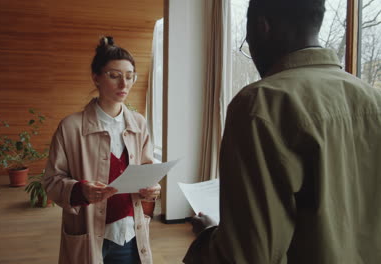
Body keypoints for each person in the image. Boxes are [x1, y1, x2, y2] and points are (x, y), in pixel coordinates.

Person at [184, 0, 381, 263]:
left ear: (261, 26)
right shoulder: (374, 100)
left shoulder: (261, 104)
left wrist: (208, 236)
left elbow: (248, 255)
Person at [43, 36, 160, 264]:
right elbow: (51, 181)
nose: (123, 84)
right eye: (114, 76)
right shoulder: (71, 127)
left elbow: (147, 168)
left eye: (129, 77)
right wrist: (81, 190)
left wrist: (152, 188)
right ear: (95, 78)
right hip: (88, 235)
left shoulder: (138, 123)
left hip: (130, 233)